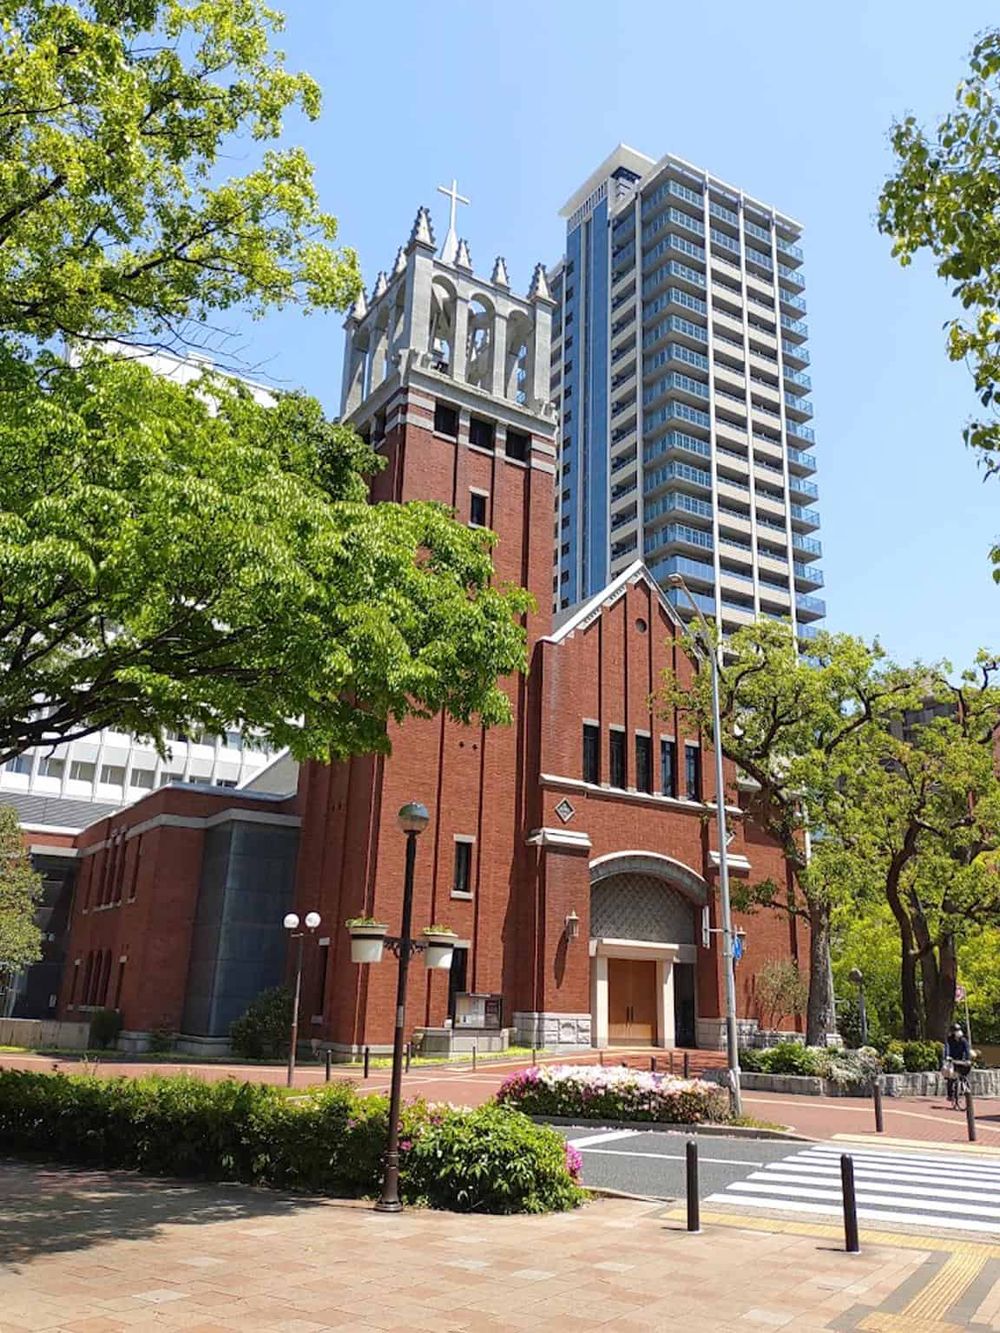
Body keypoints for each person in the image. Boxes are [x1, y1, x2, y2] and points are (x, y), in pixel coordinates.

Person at [944, 1023, 973, 1106]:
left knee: (964, 1073)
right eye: (955, 1031)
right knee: (951, 1076)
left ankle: (964, 1089)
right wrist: (947, 1057)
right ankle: (950, 1095)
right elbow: (947, 1048)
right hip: (952, 1059)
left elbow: (967, 1050)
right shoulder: (950, 1040)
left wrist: (967, 1059)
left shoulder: (963, 1040)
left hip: (962, 1061)